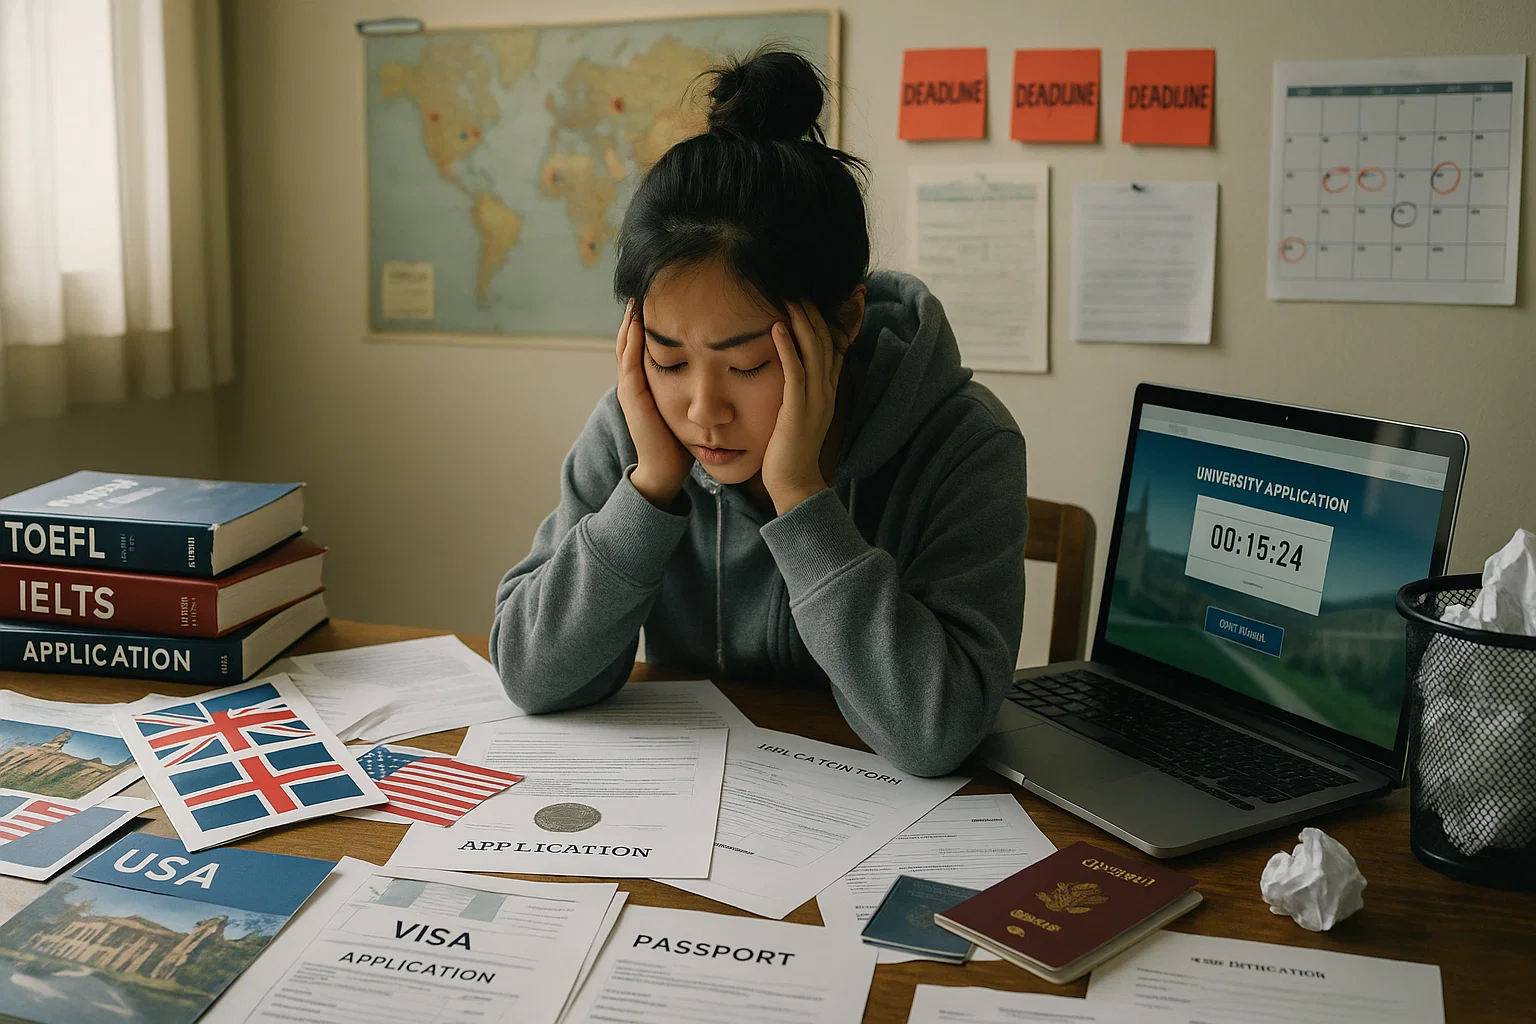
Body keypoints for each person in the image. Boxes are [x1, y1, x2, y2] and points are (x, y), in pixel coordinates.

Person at [490, 49, 1028, 777]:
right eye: (669, 358)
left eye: (746, 365)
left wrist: (803, 500)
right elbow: (532, 675)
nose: (702, 410)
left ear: (843, 322)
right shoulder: (637, 425)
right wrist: (648, 490)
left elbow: (936, 732)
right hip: (695, 815)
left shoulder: (964, 441)